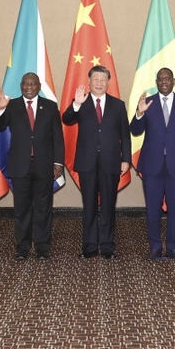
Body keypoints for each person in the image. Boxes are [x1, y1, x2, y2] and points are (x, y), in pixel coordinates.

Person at [0, 73, 65, 261]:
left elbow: (57, 136)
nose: (29, 87)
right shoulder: (12, 105)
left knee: (43, 207)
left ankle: (42, 247)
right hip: (20, 165)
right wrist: (0, 110)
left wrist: (58, 163)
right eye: (25, 84)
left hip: (44, 165)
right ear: (21, 86)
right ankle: (22, 247)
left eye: (33, 84)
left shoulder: (50, 106)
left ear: (39, 86)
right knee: (22, 208)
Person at [62, 65, 131, 260]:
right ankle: (90, 246)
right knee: (89, 206)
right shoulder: (80, 102)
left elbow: (125, 135)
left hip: (111, 162)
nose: (99, 83)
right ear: (89, 82)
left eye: (103, 80)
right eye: (96, 79)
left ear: (108, 82)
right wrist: (76, 104)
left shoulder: (118, 105)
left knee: (108, 205)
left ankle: (107, 246)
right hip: (87, 163)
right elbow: (67, 119)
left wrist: (126, 159)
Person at [129, 67, 175, 260]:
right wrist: (139, 113)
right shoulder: (147, 103)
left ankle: (173, 247)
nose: (164, 82)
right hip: (152, 166)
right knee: (152, 209)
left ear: (173, 81)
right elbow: (135, 130)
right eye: (160, 79)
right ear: (156, 82)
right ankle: (155, 246)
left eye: (167, 78)